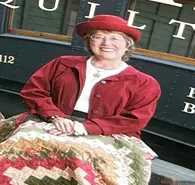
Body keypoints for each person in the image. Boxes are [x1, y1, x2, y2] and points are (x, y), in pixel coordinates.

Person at [18, 14, 160, 138]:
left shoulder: (144, 83)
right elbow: (34, 91)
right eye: (98, 37)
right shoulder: (63, 63)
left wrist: (84, 127)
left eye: (115, 38)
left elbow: (134, 120)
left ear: (127, 45)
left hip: (109, 134)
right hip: (54, 121)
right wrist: (55, 117)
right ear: (89, 41)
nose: (106, 43)